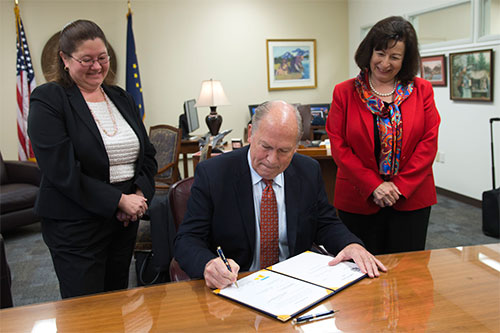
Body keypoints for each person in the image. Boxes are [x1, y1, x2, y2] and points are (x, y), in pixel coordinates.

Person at [174, 101, 386, 289]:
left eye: (284, 151)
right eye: (265, 147)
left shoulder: (308, 171)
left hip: (294, 284)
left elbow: (325, 223)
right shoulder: (214, 174)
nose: (272, 160)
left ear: (296, 147)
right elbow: (187, 239)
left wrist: (351, 245)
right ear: (250, 134)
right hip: (238, 284)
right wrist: (208, 264)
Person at [28, 20, 157, 298]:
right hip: (75, 225)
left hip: (123, 221)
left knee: (116, 302)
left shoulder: (120, 97)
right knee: (84, 312)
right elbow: (62, 171)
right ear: (64, 58)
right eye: (86, 59)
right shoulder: (49, 99)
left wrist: (136, 195)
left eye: (102, 58)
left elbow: (147, 156)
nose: (97, 67)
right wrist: (119, 201)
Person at [326, 16, 440, 255]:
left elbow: (428, 143)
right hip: (359, 198)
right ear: (369, 52)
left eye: (395, 57)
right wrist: (374, 185)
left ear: (405, 60)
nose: (385, 63)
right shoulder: (344, 92)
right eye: (380, 53)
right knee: (358, 273)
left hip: (411, 198)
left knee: (409, 275)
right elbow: (339, 145)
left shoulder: (422, 91)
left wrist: (397, 187)